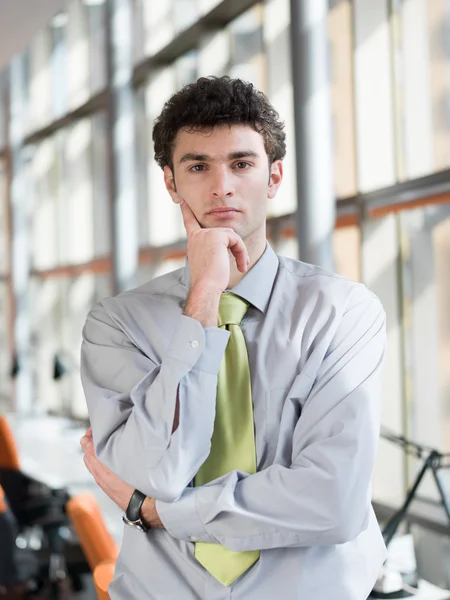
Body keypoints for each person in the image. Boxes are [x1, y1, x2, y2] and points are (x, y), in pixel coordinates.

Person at [80, 76, 387, 600]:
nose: (221, 185)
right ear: (171, 184)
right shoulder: (117, 323)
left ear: (273, 177)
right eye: (198, 166)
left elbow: (333, 501)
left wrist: (164, 513)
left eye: (241, 164)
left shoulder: (341, 311)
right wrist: (202, 301)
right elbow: (158, 470)